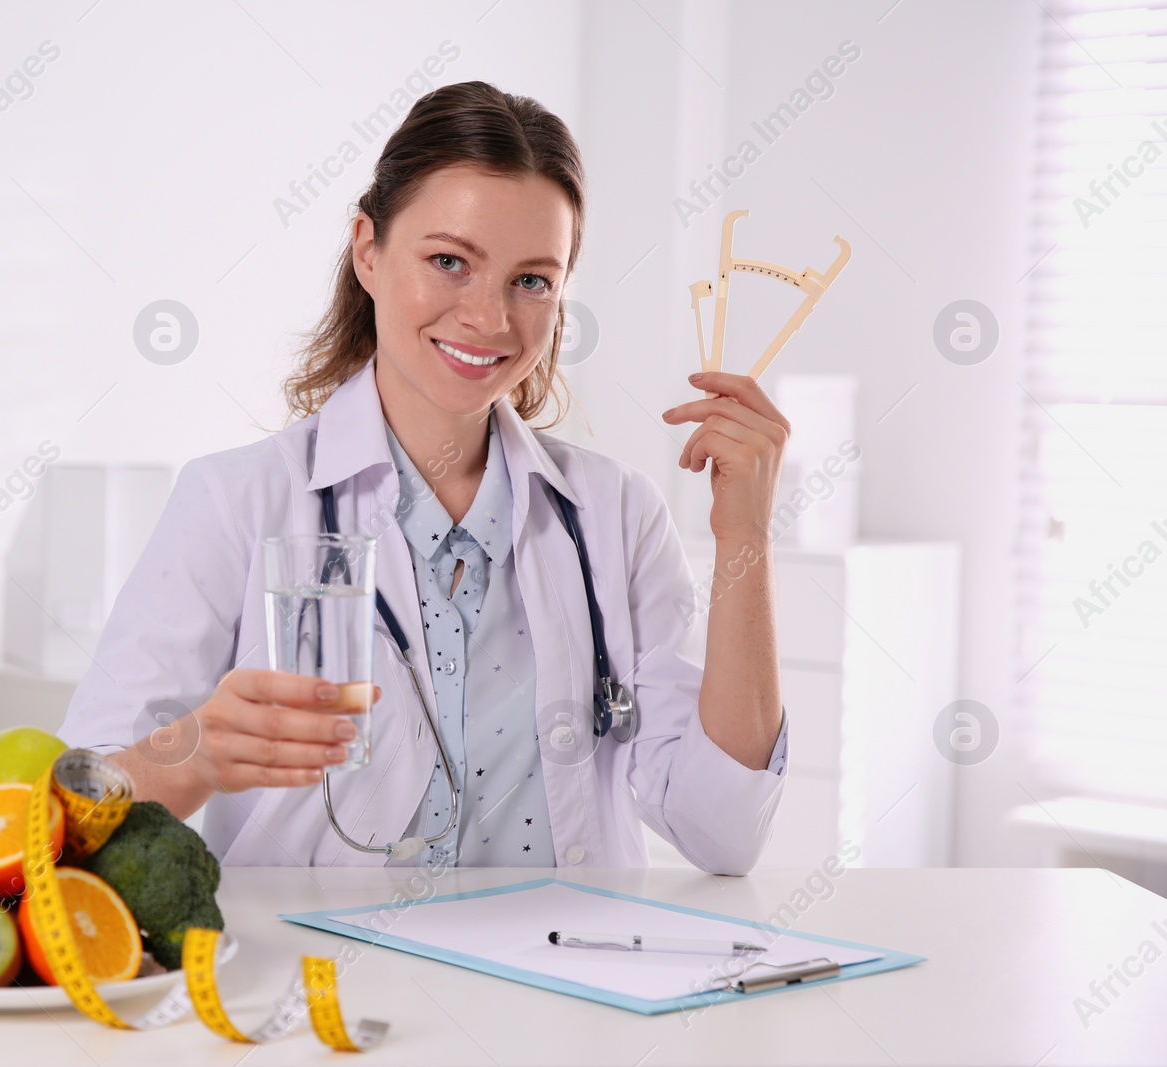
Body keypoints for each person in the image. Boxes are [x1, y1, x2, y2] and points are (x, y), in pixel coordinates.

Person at [60, 81, 788, 874]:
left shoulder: (615, 515)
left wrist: (745, 533)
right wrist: (196, 751)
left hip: (563, 983)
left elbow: (725, 836)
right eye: (449, 262)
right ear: (368, 250)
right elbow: (72, 818)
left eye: (532, 280)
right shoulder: (237, 502)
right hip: (322, 979)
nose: (490, 317)